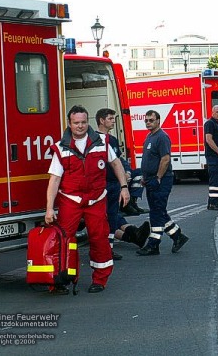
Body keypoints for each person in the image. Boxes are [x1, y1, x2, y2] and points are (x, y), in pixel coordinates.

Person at [45, 105, 129, 294]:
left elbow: (115, 163)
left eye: (83, 122)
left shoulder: (102, 142)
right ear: (69, 123)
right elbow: (54, 179)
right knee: (65, 240)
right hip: (70, 200)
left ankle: (100, 279)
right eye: (76, 123)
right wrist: (49, 208)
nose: (80, 126)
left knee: (99, 239)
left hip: (97, 199)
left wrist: (124, 187)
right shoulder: (61, 148)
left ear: (88, 121)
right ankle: (62, 279)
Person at [96, 108, 150, 260]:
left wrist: (125, 173)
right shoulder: (93, 139)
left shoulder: (112, 140)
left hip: (114, 184)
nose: (113, 121)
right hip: (101, 185)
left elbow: (118, 161)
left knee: (113, 217)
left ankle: (110, 247)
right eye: (110, 118)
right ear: (102, 120)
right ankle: (107, 248)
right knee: (103, 218)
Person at [136, 110, 189, 256]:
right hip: (150, 179)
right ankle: (177, 236)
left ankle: (154, 244)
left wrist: (158, 177)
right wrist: (144, 176)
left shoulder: (162, 137)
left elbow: (165, 159)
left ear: (158, 121)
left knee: (157, 212)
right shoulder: (149, 136)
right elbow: (149, 158)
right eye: (146, 120)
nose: (148, 122)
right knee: (159, 211)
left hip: (160, 180)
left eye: (151, 120)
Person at [204, 105, 218, 211]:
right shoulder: (210, 123)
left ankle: (214, 202)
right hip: (213, 156)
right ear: (212, 112)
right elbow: (209, 139)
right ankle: (212, 203)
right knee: (215, 180)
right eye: (217, 111)